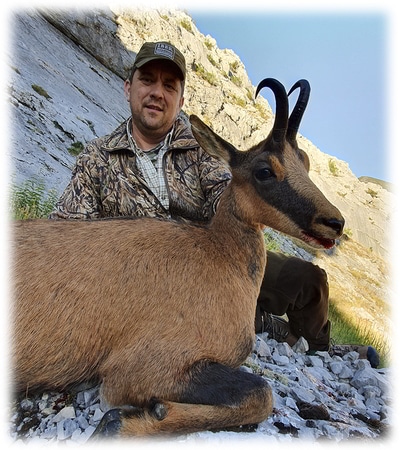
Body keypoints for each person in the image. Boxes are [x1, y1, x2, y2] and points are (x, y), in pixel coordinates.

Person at [49, 41, 379, 368]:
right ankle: (261, 324)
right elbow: (64, 233)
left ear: (180, 100)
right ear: (128, 87)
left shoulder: (199, 148)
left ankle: (320, 348)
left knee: (310, 279)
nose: (157, 92)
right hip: (139, 276)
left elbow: (230, 197)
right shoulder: (97, 156)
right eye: (147, 80)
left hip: (214, 256)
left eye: (169, 85)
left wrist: (266, 189)